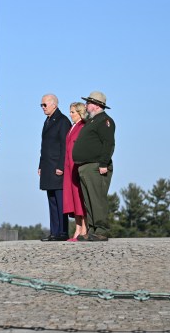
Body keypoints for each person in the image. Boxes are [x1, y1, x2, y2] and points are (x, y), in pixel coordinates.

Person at [72, 91, 116, 242]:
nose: (86, 105)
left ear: (97, 106)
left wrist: (103, 163)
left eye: (88, 103)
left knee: (97, 199)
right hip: (85, 166)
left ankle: (101, 230)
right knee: (88, 200)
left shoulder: (104, 121)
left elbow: (108, 144)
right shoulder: (92, 121)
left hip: (96, 166)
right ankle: (92, 229)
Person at [38, 93, 71, 241]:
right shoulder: (48, 121)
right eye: (41, 105)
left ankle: (63, 232)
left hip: (57, 168)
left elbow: (65, 146)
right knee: (52, 200)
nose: (43, 108)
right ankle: (54, 232)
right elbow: (44, 147)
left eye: (45, 105)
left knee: (60, 200)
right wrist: (40, 165)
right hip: (47, 167)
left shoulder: (63, 121)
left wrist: (61, 166)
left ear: (54, 104)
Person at [63, 102, 88, 242]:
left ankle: (84, 229)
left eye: (73, 112)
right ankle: (77, 229)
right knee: (72, 199)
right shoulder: (73, 127)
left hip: (76, 166)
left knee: (80, 199)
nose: (70, 114)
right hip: (69, 167)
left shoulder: (82, 126)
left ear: (79, 112)